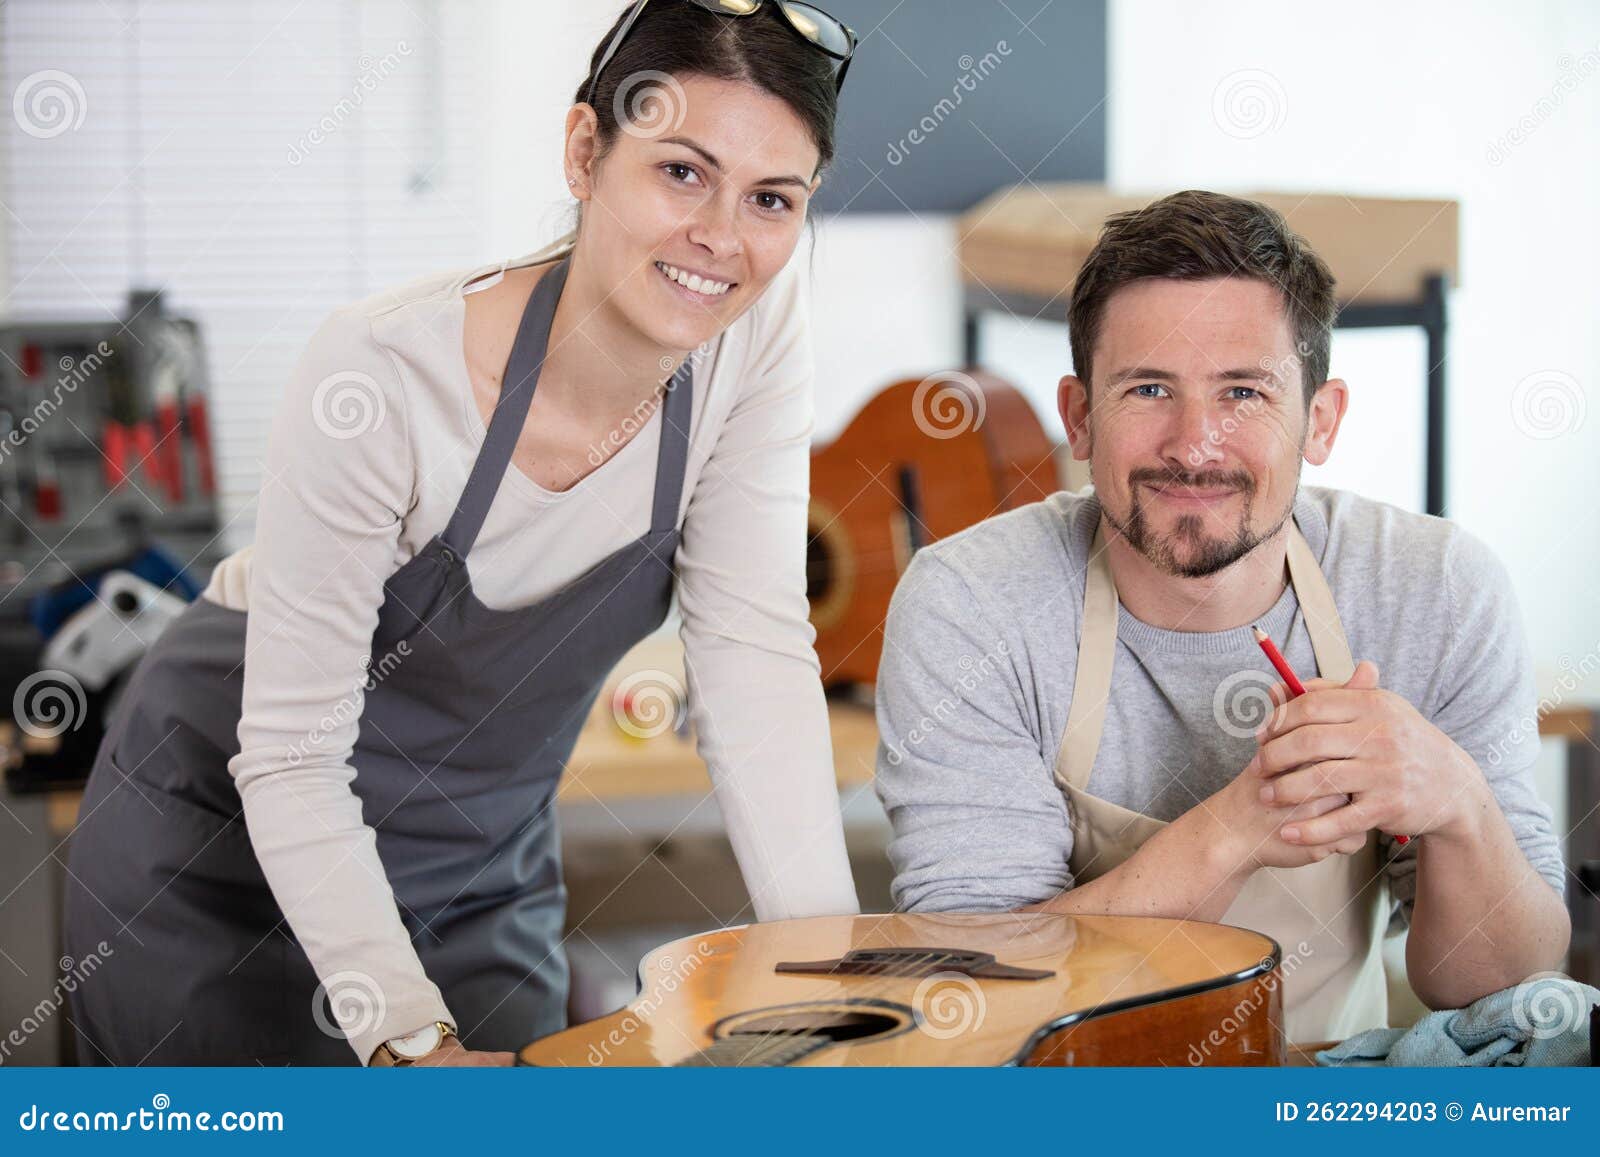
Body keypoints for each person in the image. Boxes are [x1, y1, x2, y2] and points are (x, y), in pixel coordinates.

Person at [65, 0, 862, 1066]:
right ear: (586, 151)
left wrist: (845, 998)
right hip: (224, 843)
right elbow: (293, 753)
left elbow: (753, 652)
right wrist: (411, 1044)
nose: (721, 236)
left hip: (475, 862)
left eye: (772, 197)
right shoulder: (385, 373)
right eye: (681, 170)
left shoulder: (753, 328)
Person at [873, 190, 1569, 1044]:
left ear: (1320, 421)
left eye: (1242, 392)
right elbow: (981, 988)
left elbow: (1510, 983)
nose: (1194, 443)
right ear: (1080, 416)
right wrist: (1238, 826)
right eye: (1149, 388)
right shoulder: (972, 604)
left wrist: (1457, 801)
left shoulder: (1438, 589)